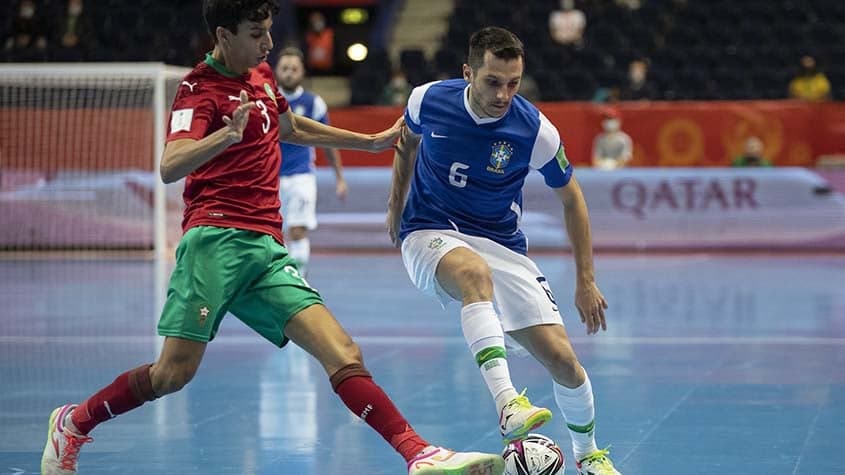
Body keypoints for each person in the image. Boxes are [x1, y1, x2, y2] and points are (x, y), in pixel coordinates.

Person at [40, 2, 505, 475]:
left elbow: (291, 127)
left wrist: (368, 142)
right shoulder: (197, 90)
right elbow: (170, 164)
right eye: (256, 33)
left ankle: (417, 453)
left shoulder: (260, 75)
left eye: (268, 32)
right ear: (223, 35)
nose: (268, 44)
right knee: (172, 374)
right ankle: (74, 423)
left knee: (343, 352)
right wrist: (225, 137)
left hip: (265, 249)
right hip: (214, 240)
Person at [386, 27, 621, 475]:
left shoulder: (534, 129)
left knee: (563, 360)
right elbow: (407, 143)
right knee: (473, 275)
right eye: (493, 81)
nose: (503, 94)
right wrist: (395, 205)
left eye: (513, 83)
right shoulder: (427, 99)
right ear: (468, 72)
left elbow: (573, 198)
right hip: (429, 229)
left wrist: (586, 279)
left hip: (501, 243)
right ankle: (507, 403)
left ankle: (589, 454)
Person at [274, 46, 347, 275]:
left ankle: (299, 280)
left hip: (300, 177)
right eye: (285, 68)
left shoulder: (313, 103)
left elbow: (328, 140)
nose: (289, 73)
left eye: (294, 69)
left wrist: (339, 178)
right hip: (269, 178)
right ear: (277, 70)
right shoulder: (266, 100)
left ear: (302, 72)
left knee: (297, 230)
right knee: (273, 234)